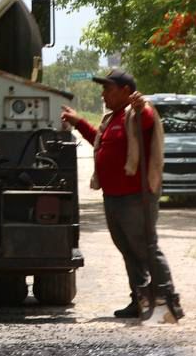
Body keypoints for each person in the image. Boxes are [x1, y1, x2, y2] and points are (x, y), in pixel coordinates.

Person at [61, 69, 183, 321]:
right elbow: (99, 142)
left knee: (146, 247)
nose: (103, 94)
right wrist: (79, 122)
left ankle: (168, 302)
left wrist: (140, 107)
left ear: (126, 91)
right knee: (128, 248)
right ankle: (140, 299)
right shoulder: (112, 119)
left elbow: (147, 119)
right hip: (114, 196)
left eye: (108, 89)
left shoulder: (136, 113)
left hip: (136, 196)